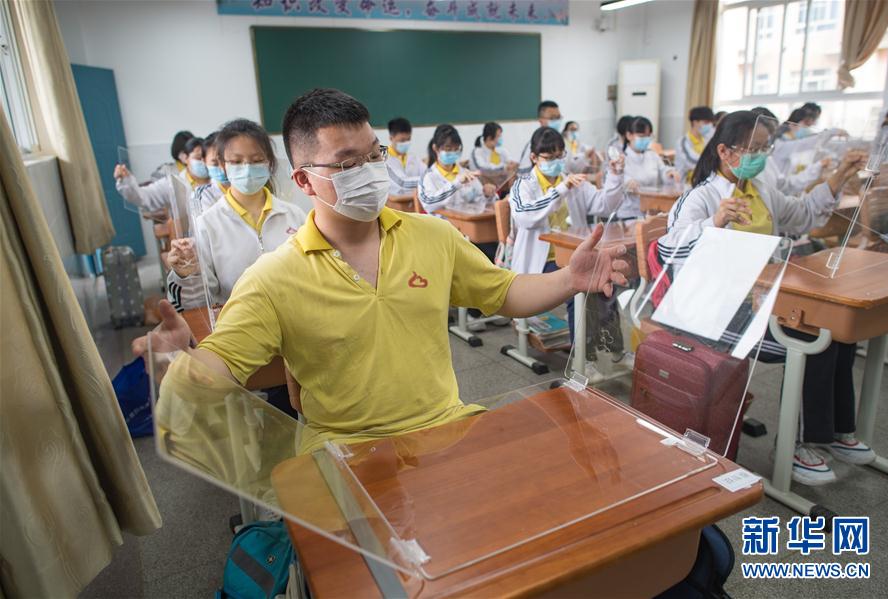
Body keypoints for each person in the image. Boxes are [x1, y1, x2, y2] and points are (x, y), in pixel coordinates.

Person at [136, 87, 630, 453]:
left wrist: (570, 279)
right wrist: (181, 367)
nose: (372, 170)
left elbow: (504, 293)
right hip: (345, 451)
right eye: (349, 162)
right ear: (305, 180)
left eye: (375, 154)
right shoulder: (274, 277)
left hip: (448, 430)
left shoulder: (432, 236)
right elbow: (223, 362)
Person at [657, 110, 869, 486]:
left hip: (760, 301)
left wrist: (841, 176)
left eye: (764, 148)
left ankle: (836, 429)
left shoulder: (761, 192)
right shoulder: (702, 198)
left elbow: (803, 216)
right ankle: (800, 445)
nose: (761, 156)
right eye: (752, 149)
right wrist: (715, 223)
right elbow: (668, 251)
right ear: (725, 152)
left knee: (837, 330)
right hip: (717, 314)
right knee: (812, 342)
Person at [166, 119, 306, 312]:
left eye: (257, 160)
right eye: (236, 162)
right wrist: (185, 275)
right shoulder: (208, 224)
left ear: (270, 163)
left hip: (295, 319)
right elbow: (197, 303)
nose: (247, 168)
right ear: (223, 166)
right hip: (242, 328)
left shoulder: (294, 216)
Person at [509, 126, 626, 339]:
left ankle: (614, 350)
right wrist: (560, 190)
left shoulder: (573, 182)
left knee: (605, 280)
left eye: (560, 155)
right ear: (533, 157)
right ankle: (581, 358)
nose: (556, 161)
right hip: (543, 262)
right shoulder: (523, 185)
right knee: (579, 290)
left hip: (573, 256)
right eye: (549, 157)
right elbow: (525, 216)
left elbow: (605, 205)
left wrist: (616, 176)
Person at [419, 124, 499, 258]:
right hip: (443, 232)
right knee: (478, 253)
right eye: (448, 149)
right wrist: (456, 184)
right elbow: (429, 203)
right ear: (436, 148)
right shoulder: (429, 177)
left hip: (467, 230)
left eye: (456, 149)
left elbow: (480, 202)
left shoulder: (465, 173)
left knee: (492, 248)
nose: (453, 153)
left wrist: (486, 194)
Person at [115, 135, 211, 212]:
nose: (203, 162)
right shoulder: (174, 183)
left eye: (205, 158)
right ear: (185, 158)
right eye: (198, 158)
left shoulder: (217, 179)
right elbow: (144, 197)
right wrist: (127, 182)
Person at [618, 117, 680, 219]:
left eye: (648, 136)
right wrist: (628, 182)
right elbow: (620, 180)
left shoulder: (652, 155)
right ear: (629, 135)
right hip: (630, 213)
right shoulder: (621, 159)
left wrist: (670, 173)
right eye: (641, 136)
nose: (646, 140)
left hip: (653, 210)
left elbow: (663, 170)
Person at [385, 117, 426, 203]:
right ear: (391, 138)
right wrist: (430, 180)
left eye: (408, 139)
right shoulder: (384, 159)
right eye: (402, 140)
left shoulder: (413, 158)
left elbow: (427, 172)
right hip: (394, 205)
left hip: (413, 202)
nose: (406, 143)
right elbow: (401, 184)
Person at [518, 100, 563, 174]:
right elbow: (523, 173)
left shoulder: (560, 141)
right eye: (552, 118)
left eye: (558, 117)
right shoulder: (534, 144)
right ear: (541, 120)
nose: (557, 121)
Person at [675, 106, 716, 182]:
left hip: (702, 182)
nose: (709, 126)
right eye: (706, 122)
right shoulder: (683, 142)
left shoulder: (705, 139)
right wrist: (713, 162)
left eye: (711, 123)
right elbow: (692, 161)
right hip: (685, 183)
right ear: (695, 122)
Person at [194, 131, 230, 212]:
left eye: (226, 162)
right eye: (215, 163)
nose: (222, 168)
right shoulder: (203, 194)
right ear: (204, 161)